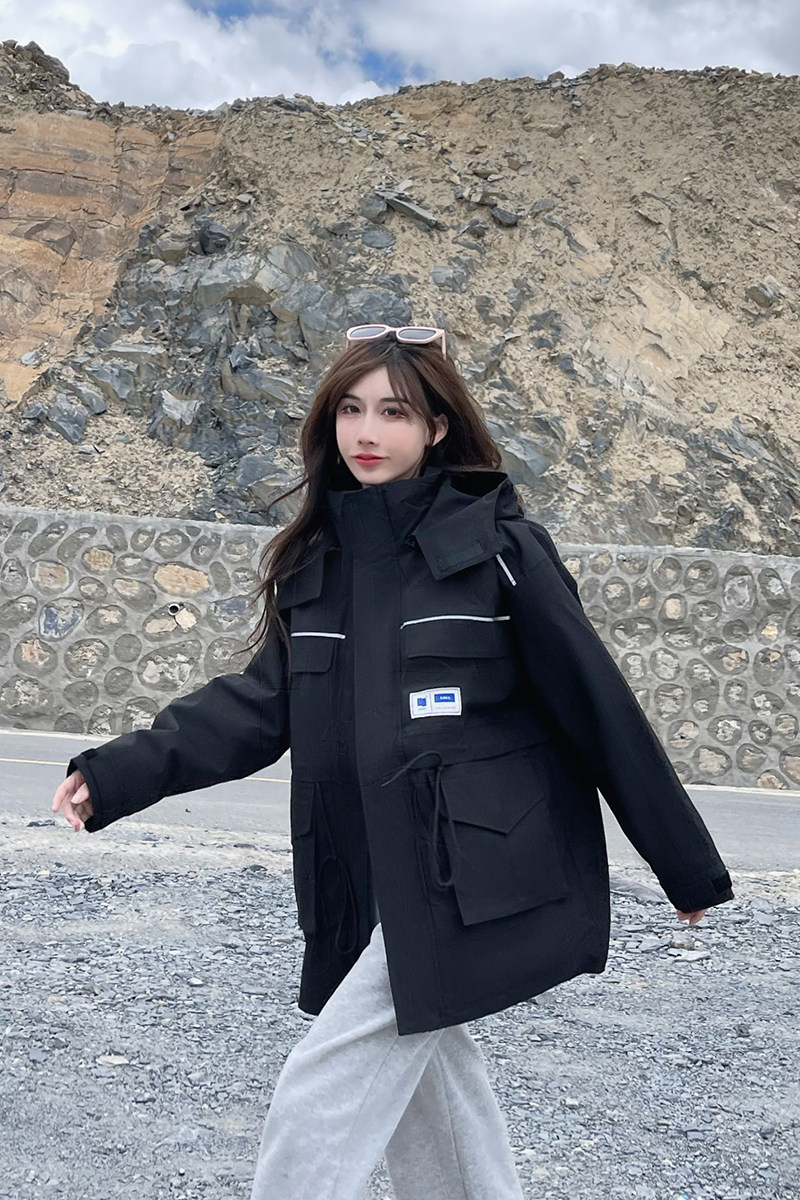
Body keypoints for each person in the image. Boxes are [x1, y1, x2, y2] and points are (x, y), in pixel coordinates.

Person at [52, 322, 734, 1200]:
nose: (366, 432)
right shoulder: (316, 560)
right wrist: (117, 773)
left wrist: (686, 867)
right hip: (361, 868)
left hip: (465, 874)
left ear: (437, 428)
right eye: (350, 409)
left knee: (319, 1094)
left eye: (393, 412)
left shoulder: (498, 550)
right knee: (435, 1094)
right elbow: (260, 706)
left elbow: (597, 704)